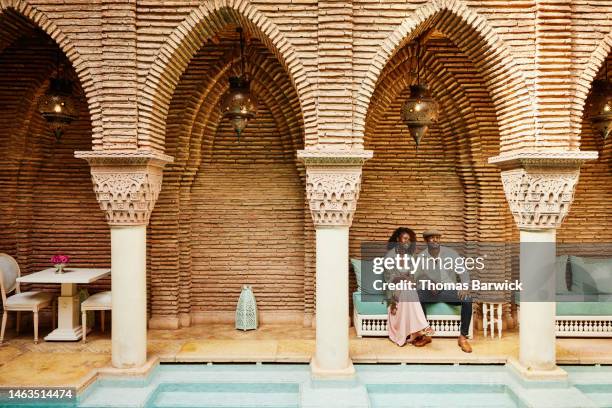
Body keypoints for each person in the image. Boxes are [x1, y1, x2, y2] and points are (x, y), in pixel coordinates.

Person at [415, 229, 473, 353]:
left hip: (448, 290)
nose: (435, 240)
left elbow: (463, 272)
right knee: (416, 296)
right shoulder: (421, 257)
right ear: (426, 240)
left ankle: (462, 337)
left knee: (467, 299)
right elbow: (417, 278)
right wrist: (428, 283)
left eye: (437, 237)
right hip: (431, 292)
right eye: (432, 237)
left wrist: (465, 286)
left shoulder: (451, 253)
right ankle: (426, 334)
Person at [384, 227, 434, 347]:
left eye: (409, 240)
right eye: (405, 238)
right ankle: (423, 326)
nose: (407, 242)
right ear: (398, 239)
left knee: (408, 287)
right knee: (405, 286)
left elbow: (414, 276)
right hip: (394, 291)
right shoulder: (389, 257)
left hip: (407, 290)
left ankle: (417, 331)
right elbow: (389, 279)